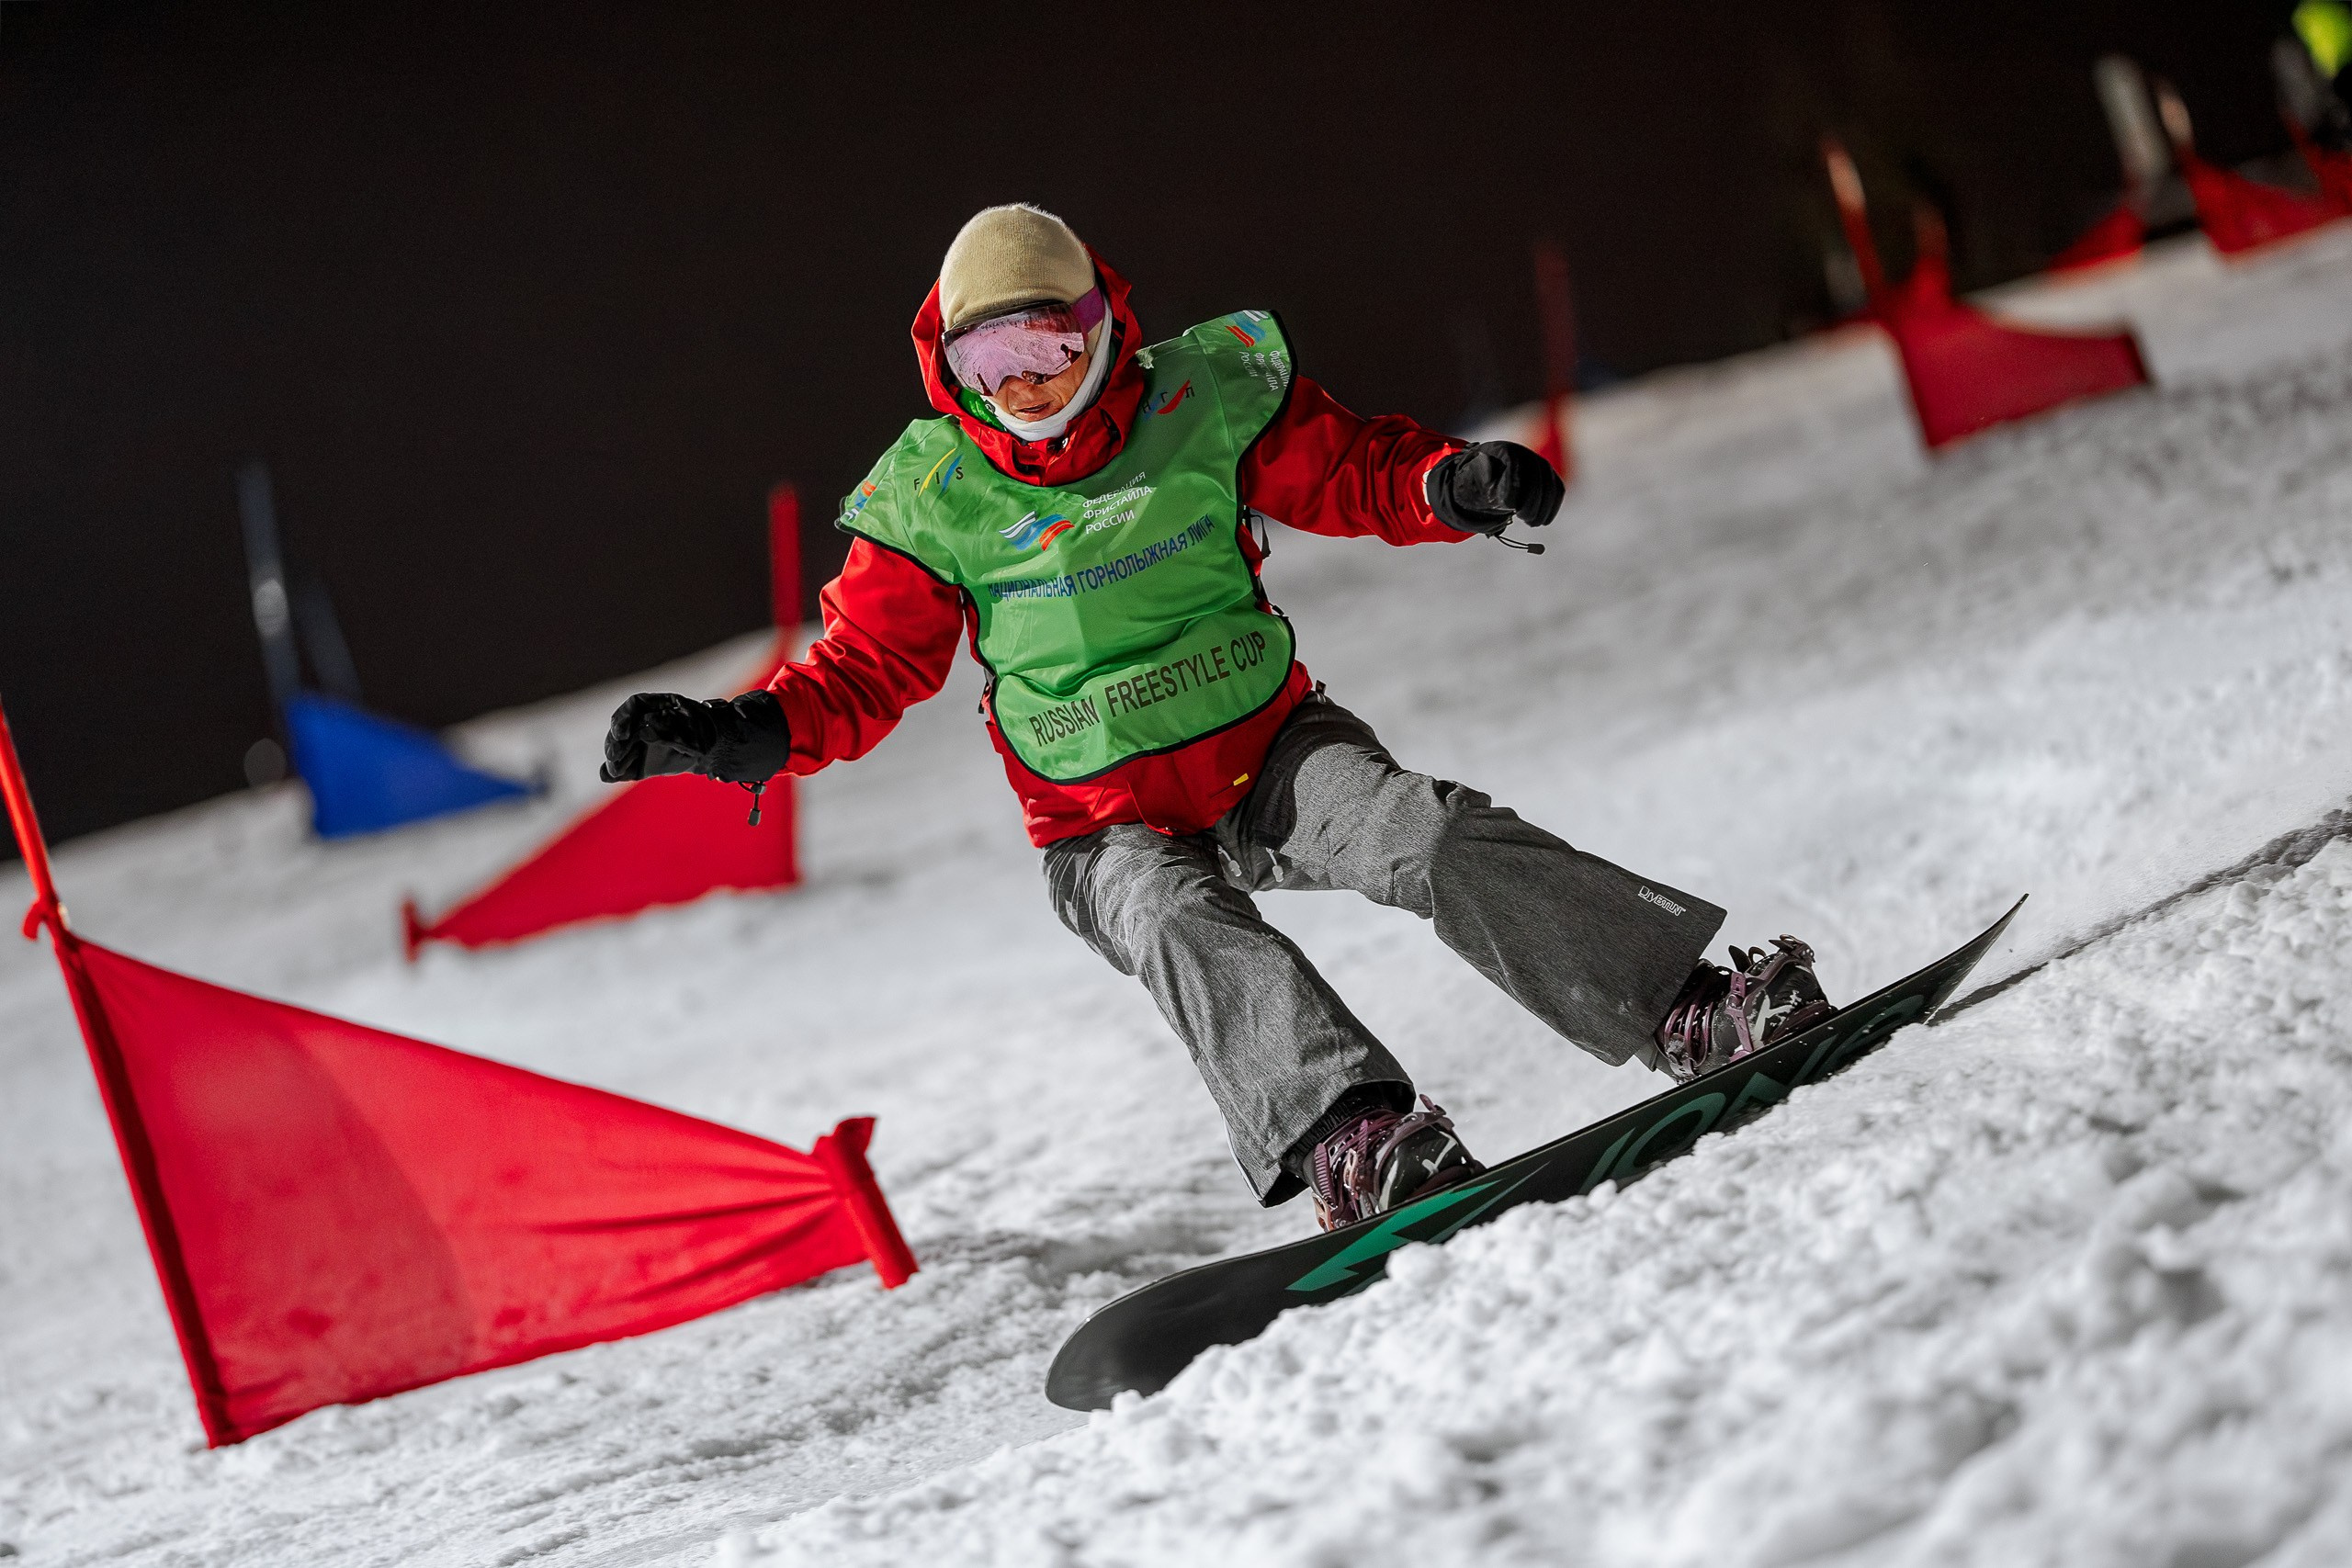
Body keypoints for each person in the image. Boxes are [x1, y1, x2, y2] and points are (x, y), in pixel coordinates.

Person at [599, 205, 1835, 1232]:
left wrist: (1449, 485)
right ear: (949, 372)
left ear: (1100, 330)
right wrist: (737, 735)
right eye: (989, 366)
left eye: (1043, 347)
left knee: (1429, 834)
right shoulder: (938, 498)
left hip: (1273, 755)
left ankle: (1684, 1003)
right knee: (1182, 922)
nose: (1026, 385)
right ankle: (1354, 1139)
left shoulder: (1202, 401)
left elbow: (1348, 468)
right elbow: (863, 670)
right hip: (1102, 828)